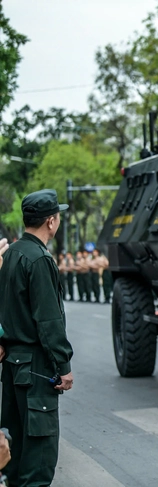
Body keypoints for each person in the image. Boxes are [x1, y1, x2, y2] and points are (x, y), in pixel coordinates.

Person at [0, 189, 74, 486]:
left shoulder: (10, 255)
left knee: (15, 459)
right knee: (39, 462)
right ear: (51, 222)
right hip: (36, 370)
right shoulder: (39, 259)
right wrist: (63, 366)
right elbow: (49, 320)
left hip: (12, 367)